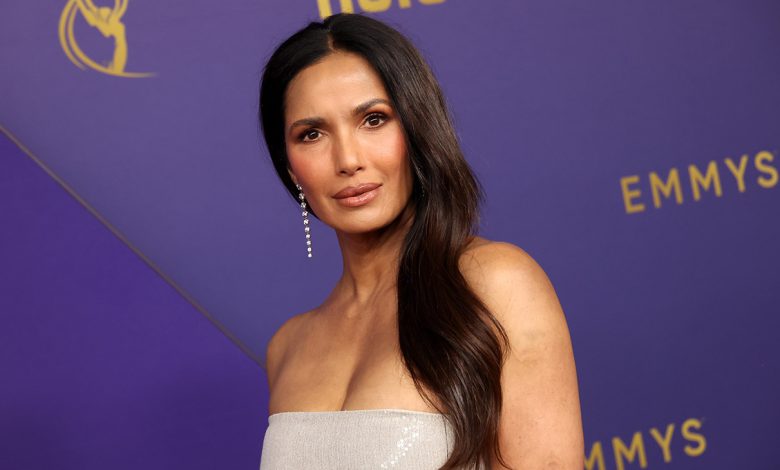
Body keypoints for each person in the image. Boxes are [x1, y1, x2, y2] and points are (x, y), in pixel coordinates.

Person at [257, 13, 583, 470]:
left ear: (416, 129)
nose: (347, 159)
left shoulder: (497, 285)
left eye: (373, 120)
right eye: (311, 134)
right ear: (291, 168)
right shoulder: (287, 346)